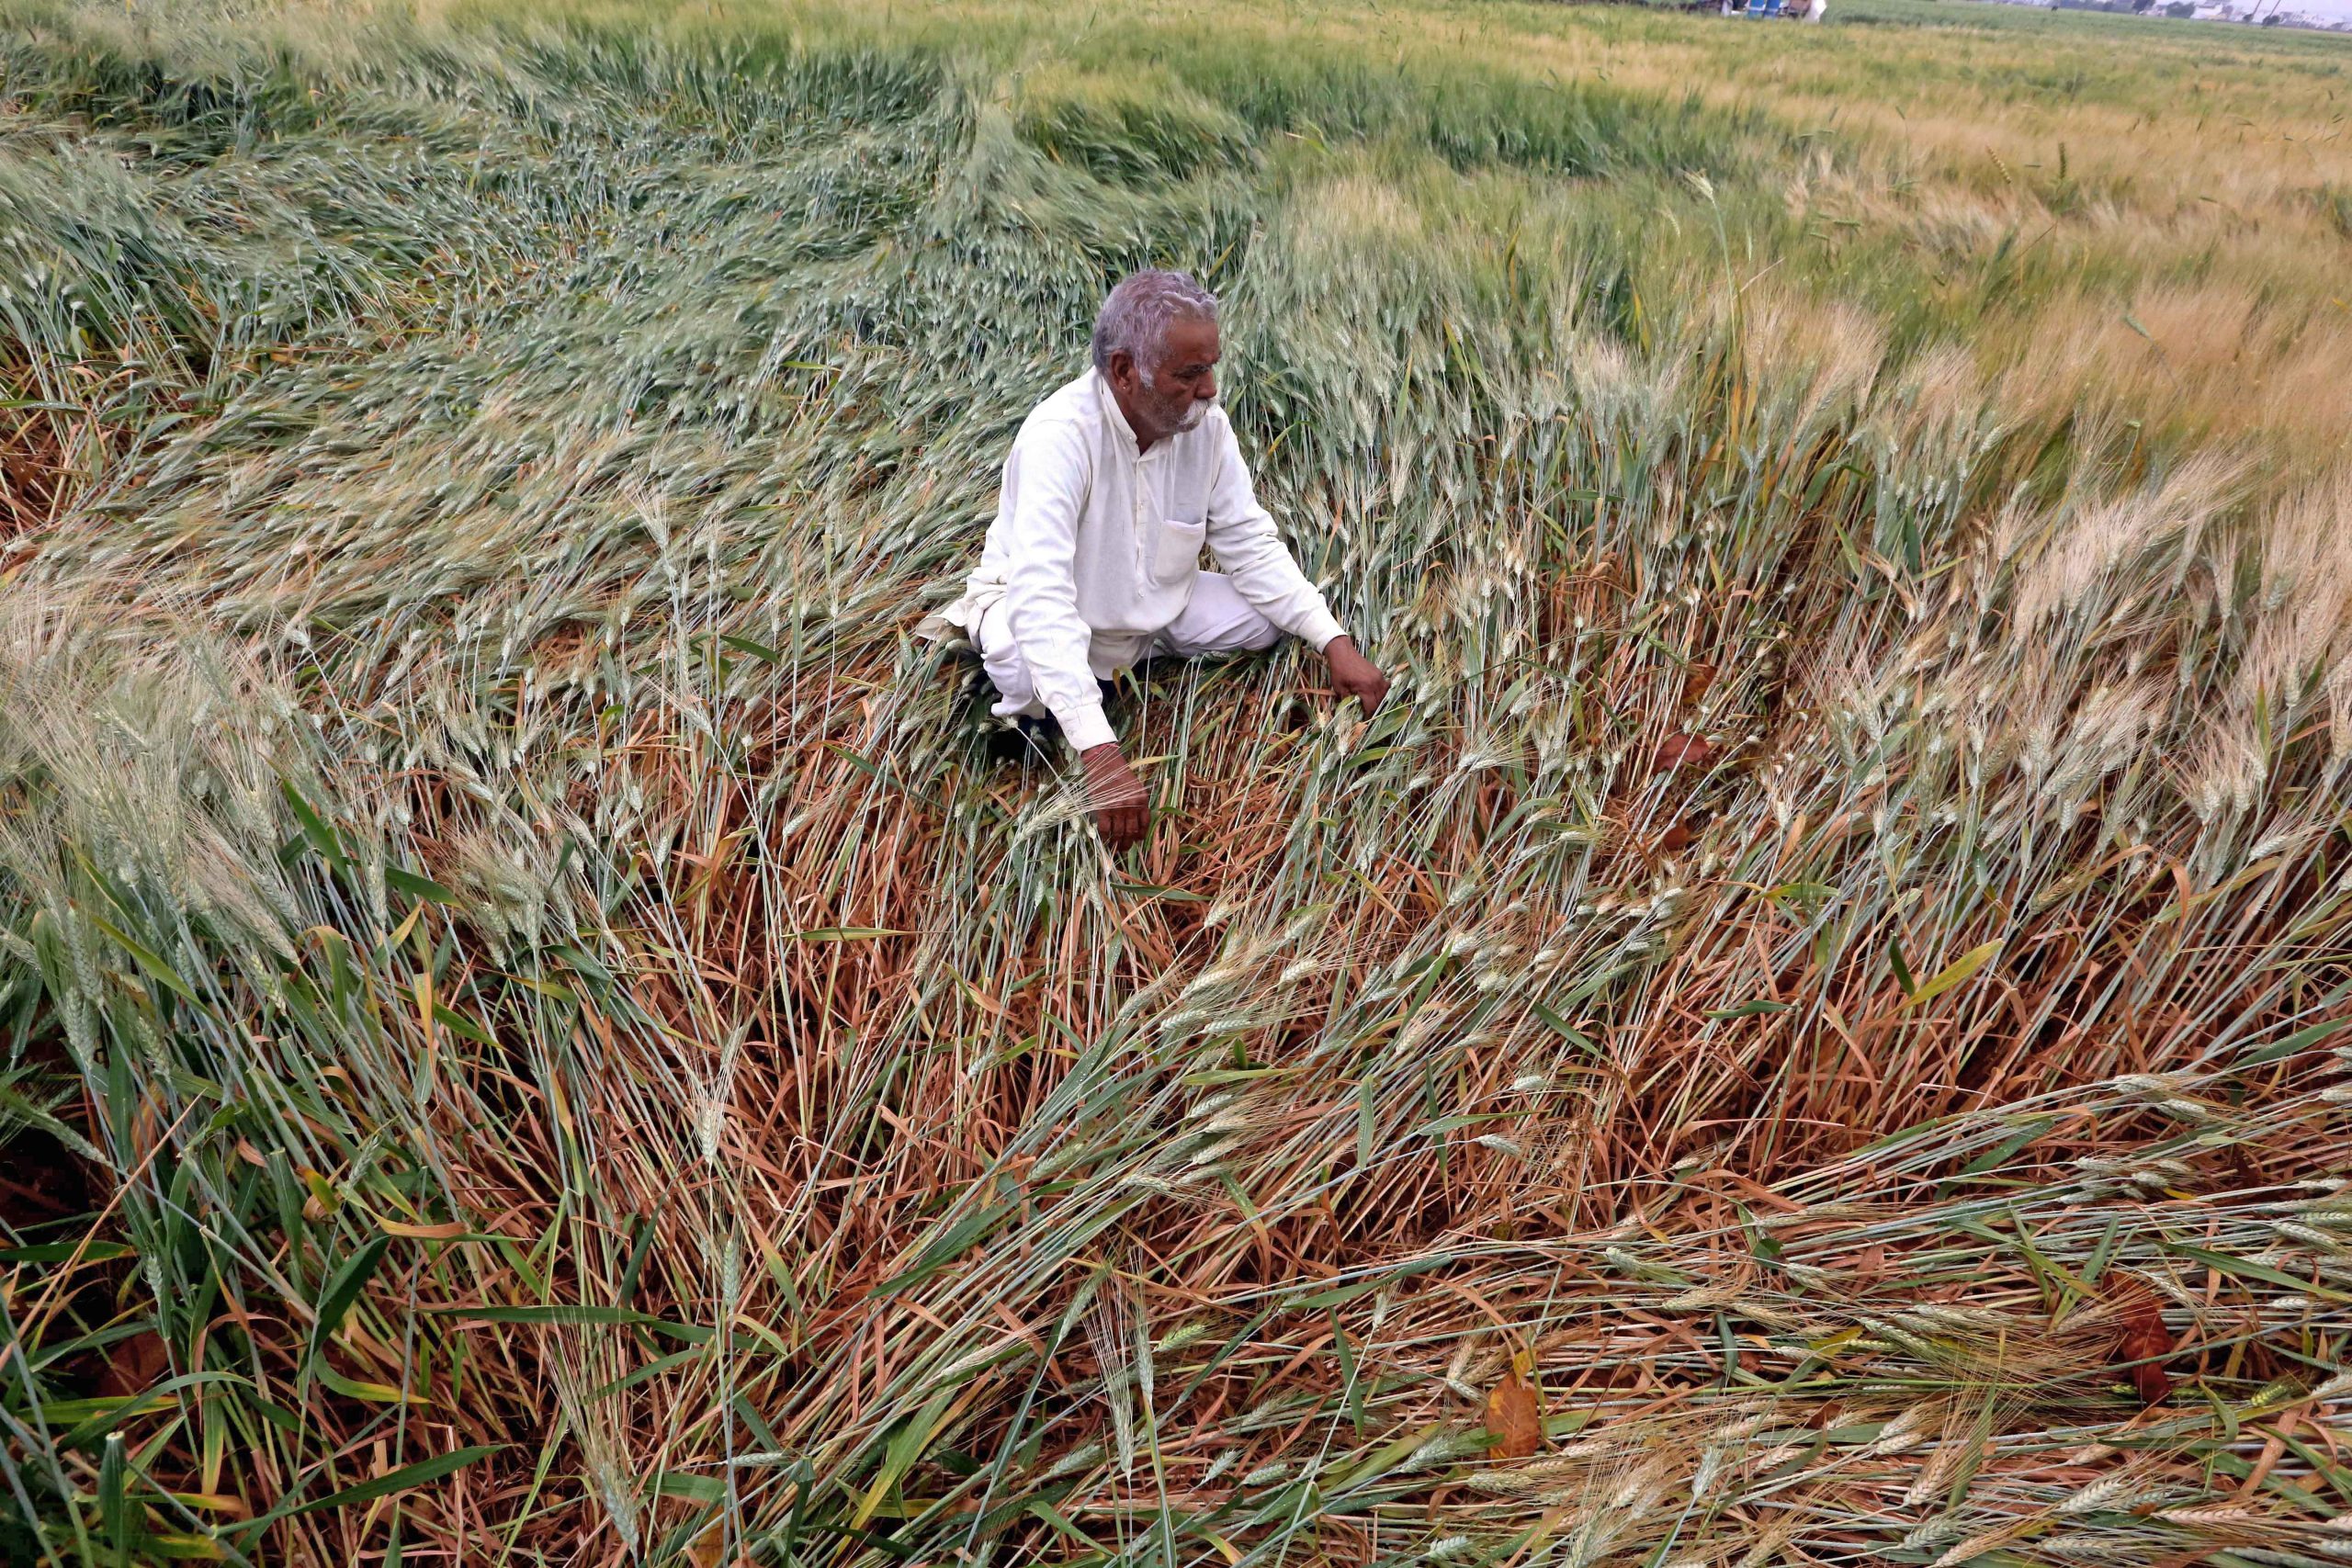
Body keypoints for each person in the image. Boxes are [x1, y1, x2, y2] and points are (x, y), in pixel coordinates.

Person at [921, 269, 1388, 850]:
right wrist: (1100, 750)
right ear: (1123, 371)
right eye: (1190, 374)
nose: (1211, 388)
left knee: (1268, 620)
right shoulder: (1059, 438)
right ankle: (1048, 725)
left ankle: (1123, 665)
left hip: (1158, 612)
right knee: (1020, 659)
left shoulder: (1205, 428)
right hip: (1054, 615)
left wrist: (1334, 643)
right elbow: (1041, 597)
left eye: (1211, 367)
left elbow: (1249, 542)